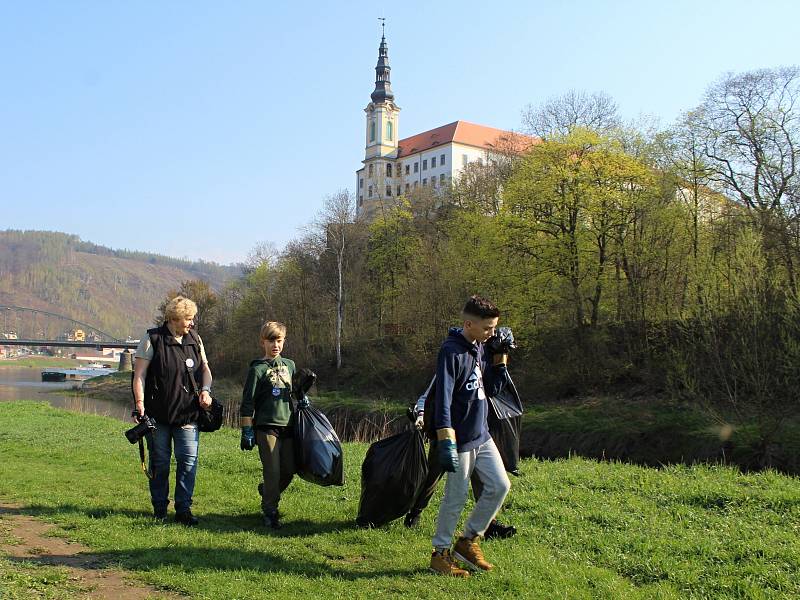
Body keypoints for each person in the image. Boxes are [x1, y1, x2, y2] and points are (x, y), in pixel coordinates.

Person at [404, 327, 517, 540]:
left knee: (483, 483)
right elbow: (431, 395)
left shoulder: (480, 358)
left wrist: (500, 359)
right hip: (447, 435)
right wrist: (421, 416)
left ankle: (489, 525)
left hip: (475, 434)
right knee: (432, 477)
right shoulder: (453, 359)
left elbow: (492, 388)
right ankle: (415, 512)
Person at [428, 295, 512, 578]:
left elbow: (491, 390)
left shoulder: (480, 347)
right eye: (488, 328)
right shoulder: (451, 352)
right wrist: (445, 438)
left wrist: (500, 357)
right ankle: (440, 554)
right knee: (456, 497)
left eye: (494, 328)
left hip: (482, 434)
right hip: (461, 438)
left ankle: (467, 541)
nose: (493, 333)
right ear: (469, 324)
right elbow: (443, 398)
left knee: (500, 485)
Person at [132, 296, 213, 526]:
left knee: (188, 462)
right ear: (174, 319)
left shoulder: (195, 339)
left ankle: (183, 509)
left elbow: (206, 369)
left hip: (188, 414)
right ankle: (159, 508)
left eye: (192, 318)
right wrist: (140, 403)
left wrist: (206, 390)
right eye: (188, 319)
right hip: (157, 416)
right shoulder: (153, 338)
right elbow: (139, 375)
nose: (191, 323)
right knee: (160, 463)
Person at [239, 321, 297, 529]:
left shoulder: (290, 365)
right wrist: (247, 429)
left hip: (289, 426)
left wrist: (302, 398)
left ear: (284, 341)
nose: (275, 345)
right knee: (272, 471)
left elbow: (295, 393)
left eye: (279, 340)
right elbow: (247, 402)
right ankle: (270, 511)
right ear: (263, 342)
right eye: (271, 340)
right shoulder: (257, 369)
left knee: (289, 470)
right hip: (266, 427)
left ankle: (267, 490)